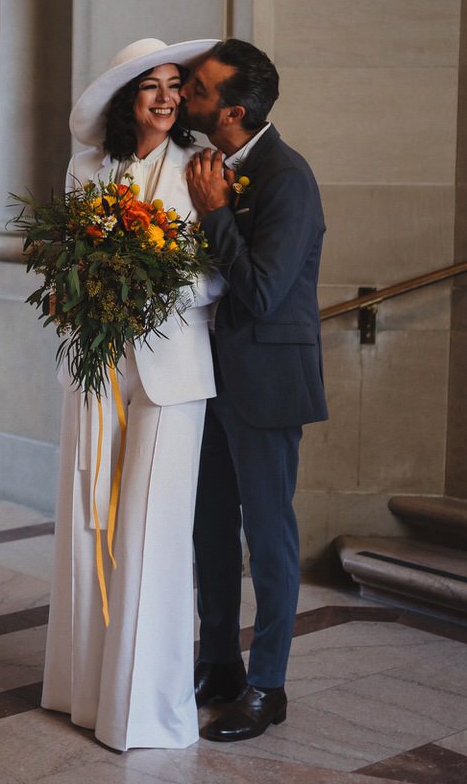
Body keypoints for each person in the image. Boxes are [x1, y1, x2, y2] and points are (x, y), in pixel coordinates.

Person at [41, 37, 228, 751]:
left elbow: (217, 275)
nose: (165, 96)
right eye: (149, 85)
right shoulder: (88, 167)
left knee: (152, 532)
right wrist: (77, 290)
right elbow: (65, 262)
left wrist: (151, 284)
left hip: (172, 373)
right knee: (88, 526)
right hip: (96, 368)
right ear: (128, 98)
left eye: (175, 84)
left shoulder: (201, 168)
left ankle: (143, 708)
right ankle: (81, 690)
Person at [180, 39, 327, 742]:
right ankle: (220, 664)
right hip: (210, 380)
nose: (184, 94)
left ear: (233, 111)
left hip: (267, 383)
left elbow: (266, 293)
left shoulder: (287, 176)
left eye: (199, 89)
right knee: (210, 529)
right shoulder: (208, 164)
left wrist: (213, 213)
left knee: (268, 538)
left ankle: (268, 685)